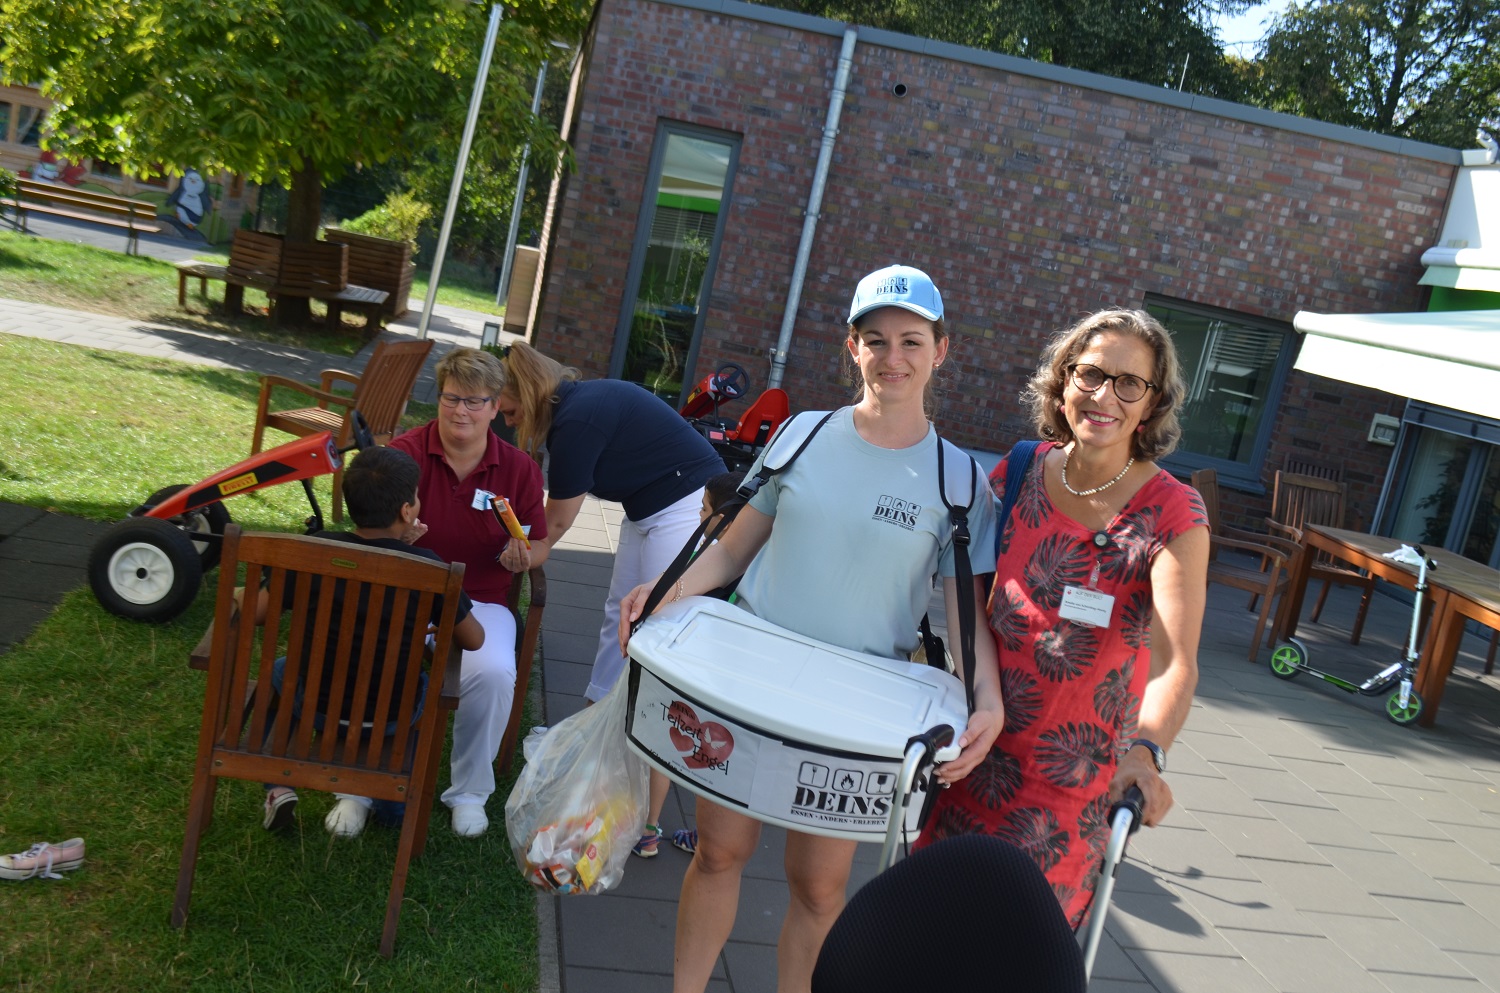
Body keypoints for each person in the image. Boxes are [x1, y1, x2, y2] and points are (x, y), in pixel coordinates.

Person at [618, 264, 1005, 993]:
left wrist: (987, 701)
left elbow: (964, 617)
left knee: (821, 890)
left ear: (940, 351)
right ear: (851, 347)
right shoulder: (802, 434)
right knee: (719, 853)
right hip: (747, 682)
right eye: (876, 340)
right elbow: (735, 545)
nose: (893, 358)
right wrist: (664, 593)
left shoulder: (960, 482)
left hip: (853, 715)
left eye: (911, 341)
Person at [918, 308, 1209, 930]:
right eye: (1091, 374)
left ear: (1154, 403)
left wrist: (1147, 752)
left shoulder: (1173, 513)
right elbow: (968, 596)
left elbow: (1174, 663)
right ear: (1063, 380)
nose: (1105, 395)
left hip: (1068, 795)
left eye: (1131, 383)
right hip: (970, 756)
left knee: (1013, 956)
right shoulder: (1018, 470)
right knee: (925, 940)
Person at [494, 341, 726, 857]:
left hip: (686, 508)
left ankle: (645, 813)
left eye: (505, 406)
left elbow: (555, 525)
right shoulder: (576, 407)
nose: (505, 418)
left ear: (526, 393)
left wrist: (519, 555)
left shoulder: (577, 422)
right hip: (651, 509)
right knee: (616, 620)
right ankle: (594, 739)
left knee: (656, 640)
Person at [255, 446, 486, 835]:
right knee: (425, 686)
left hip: (313, 702)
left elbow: (259, 613)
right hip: (390, 713)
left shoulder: (312, 552)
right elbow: (475, 639)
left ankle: (278, 786)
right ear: (407, 510)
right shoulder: (428, 569)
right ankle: (393, 801)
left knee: (281, 671)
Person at [388, 347, 548, 839]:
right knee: (372, 654)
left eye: (475, 402)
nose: (461, 411)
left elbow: (538, 542)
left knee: (495, 670)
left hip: (481, 599)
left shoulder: (518, 469)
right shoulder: (404, 454)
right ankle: (361, 781)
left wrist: (525, 556)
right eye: (451, 398)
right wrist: (397, 536)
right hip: (410, 590)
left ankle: (469, 793)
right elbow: (369, 530)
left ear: (497, 406)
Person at [668, 467, 746, 856]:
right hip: (720, 678)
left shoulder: (715, 562)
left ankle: (648, 828)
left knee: (682, 747)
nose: (699, 517)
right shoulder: (756, 566)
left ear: (726, 518)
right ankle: (701, 837)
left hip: (702, 677)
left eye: (704, 510)